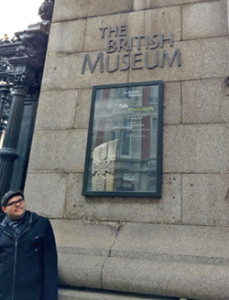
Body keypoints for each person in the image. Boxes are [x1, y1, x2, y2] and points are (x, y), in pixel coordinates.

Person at [0, 190, 58, 300]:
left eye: (20, 201)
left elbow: (50, 265)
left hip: (31, 294)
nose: (18, 204)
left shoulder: (41, 224)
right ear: (4, 209)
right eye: (12, 203)